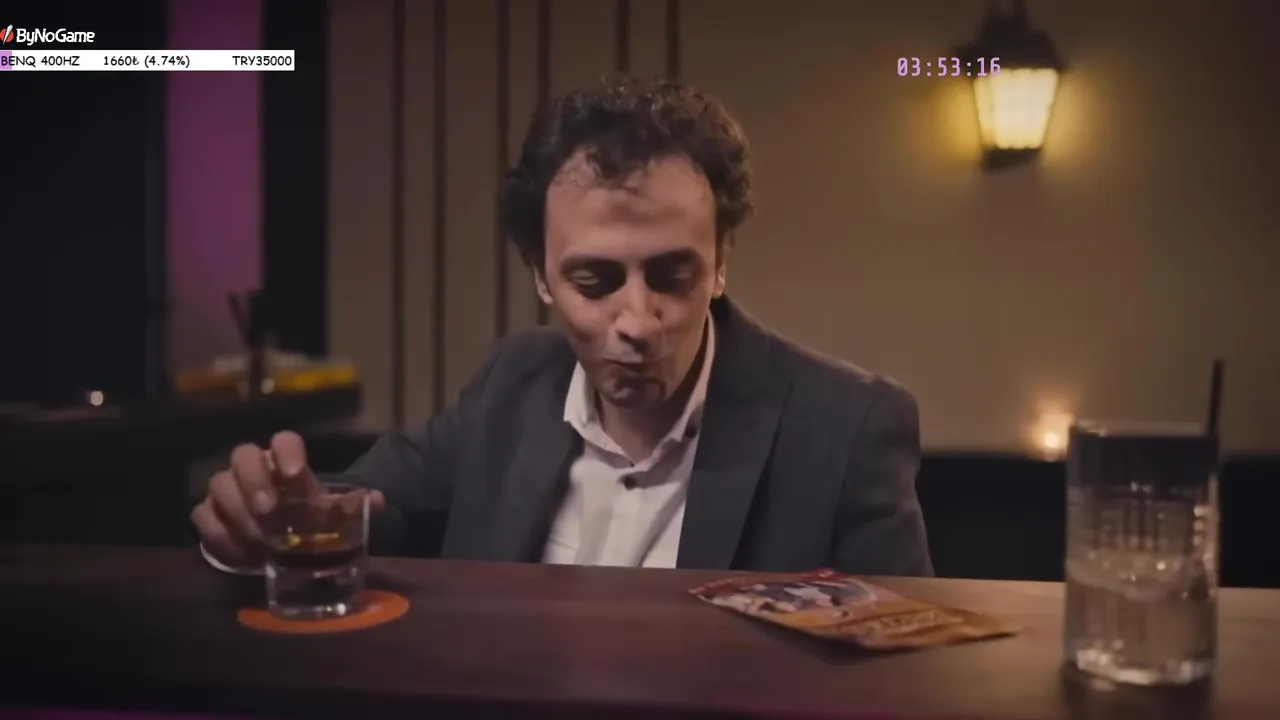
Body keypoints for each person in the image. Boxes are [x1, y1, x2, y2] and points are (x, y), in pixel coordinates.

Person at [191, 76, 933, 577]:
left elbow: (907, 677)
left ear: (720, 265)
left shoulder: (847, 428)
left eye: (673, 276)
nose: (637, 321)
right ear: (542, 277)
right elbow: (366, 509)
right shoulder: (513, 384)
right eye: (595, 281)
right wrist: (270, 525)